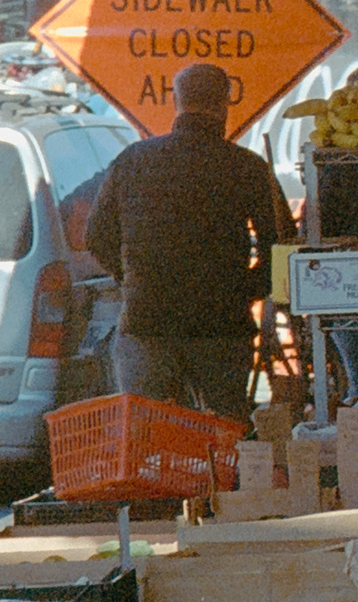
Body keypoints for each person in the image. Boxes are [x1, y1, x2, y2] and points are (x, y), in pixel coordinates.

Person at [84, 62, 293, 421]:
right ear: (225, 103)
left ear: (176, 102)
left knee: (144, 433)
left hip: (147, 320)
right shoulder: (245, 166)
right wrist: (247, 289)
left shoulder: (133, 160)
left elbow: (97, 236)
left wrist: (131, 278)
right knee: (221, 433)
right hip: (221, 324)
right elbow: (282, 241)